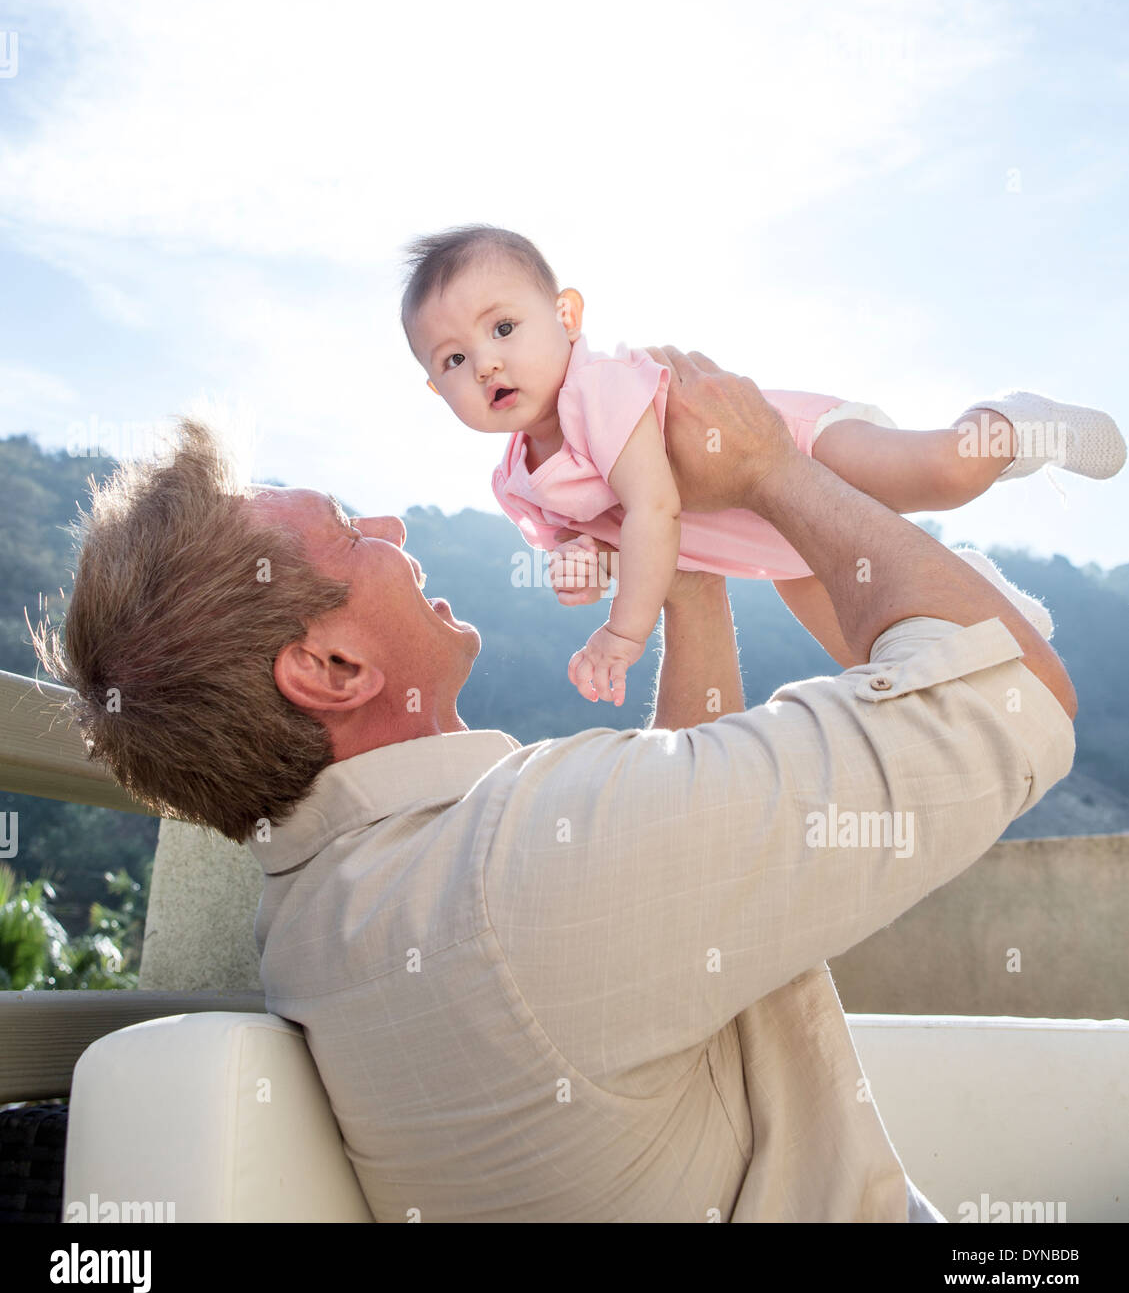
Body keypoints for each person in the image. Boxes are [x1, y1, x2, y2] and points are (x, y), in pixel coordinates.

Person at [37, 349, 1077, 1222]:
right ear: (333, 671)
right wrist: (767, 472)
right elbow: (1017, 692)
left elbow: (670, 873)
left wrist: (687, 572)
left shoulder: (320, 918)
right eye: (354, 534)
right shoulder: (518, 869)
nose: (396, 528)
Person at [401, 224, 1124, 705]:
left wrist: (623, 634)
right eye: (456, 359)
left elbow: (652, 508)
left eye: (502, 327)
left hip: (790, 451)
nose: (486, 360)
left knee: (945, 473)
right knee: (880, 656)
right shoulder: (515, 479)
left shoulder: (599, 387)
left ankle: (1010, 424)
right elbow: (601, 541)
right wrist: (582, 565)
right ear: (438, 391)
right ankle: (977, 592)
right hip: (769, 544)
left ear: (565, 317)